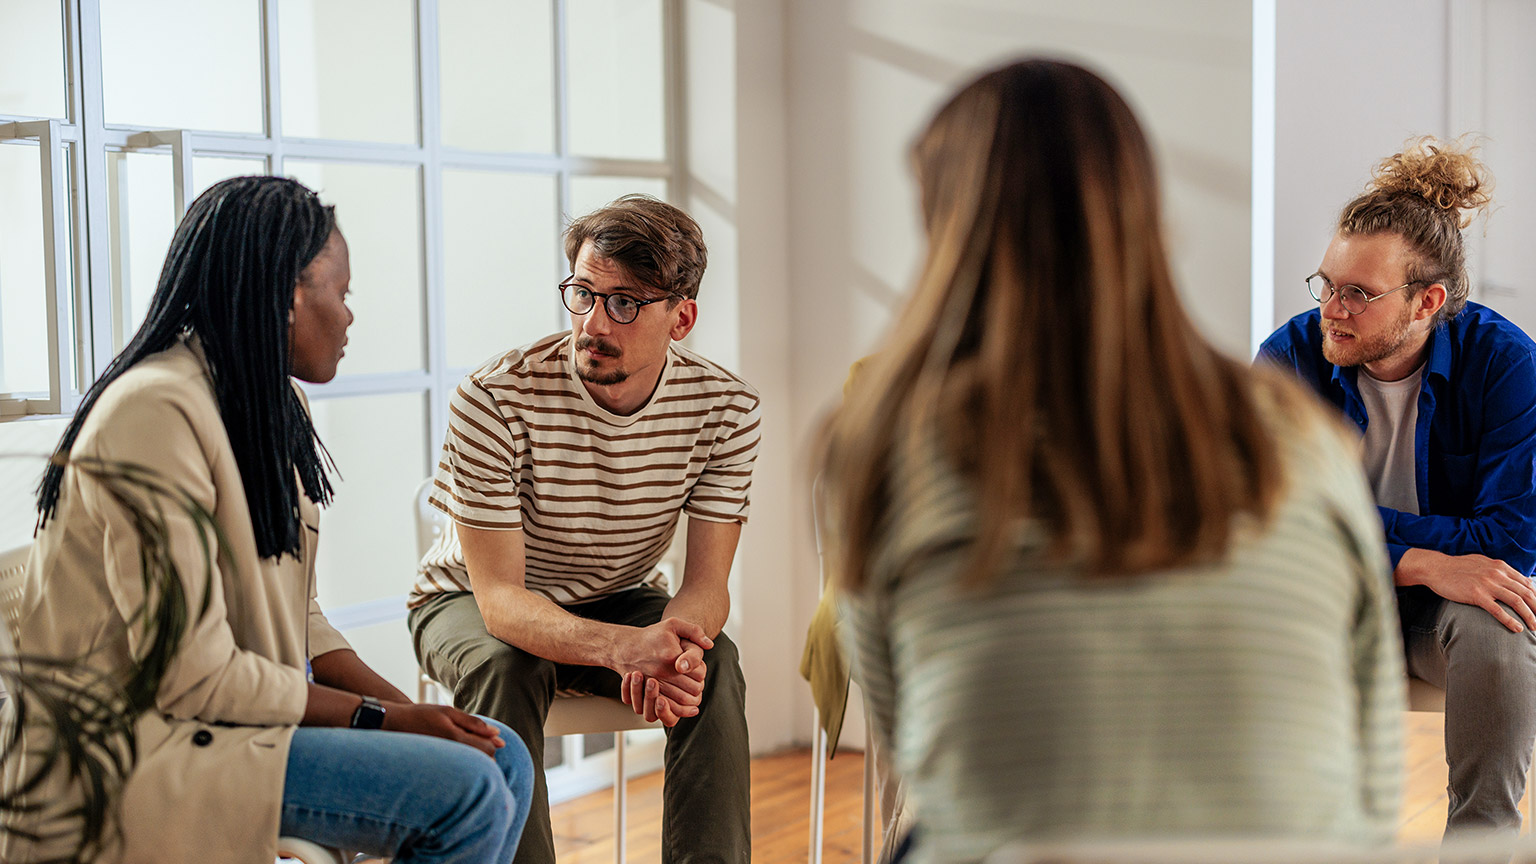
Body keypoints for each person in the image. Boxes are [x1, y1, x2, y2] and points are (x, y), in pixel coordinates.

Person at [819, 59, 1405, 864]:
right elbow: (1373, 781)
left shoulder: (889, 449)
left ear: (946, 227)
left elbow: (918, 747)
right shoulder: (1302, 437)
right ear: (1146, 216)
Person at [3, 176, 534, 864]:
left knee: (503, 754)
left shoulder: (269, 404)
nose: (348, 317)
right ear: (289, 294)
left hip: (229, 725)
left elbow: (302, 622)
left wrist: (419, 715)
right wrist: (389, 719)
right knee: (466, 791)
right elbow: (192, 676)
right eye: (340, 294)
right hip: (135, 748)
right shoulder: (153, 412)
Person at [407, 194, 761, 864]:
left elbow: (708, 582)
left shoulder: (727, 409)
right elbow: (502, 602)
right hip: (467, 601)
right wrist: (622, 650)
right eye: (582, 294)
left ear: (681, 317)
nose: (593, 322)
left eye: (624, 302)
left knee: (713, 667)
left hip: (620, 593)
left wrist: (678, 650)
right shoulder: (495, 397)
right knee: (505, 663)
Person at [1260, 137, 1536, 839]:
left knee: (1502, 629)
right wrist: (1422, 561)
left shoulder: (1508, 366)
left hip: (1449, 612)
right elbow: (1271, 522)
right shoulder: (1288, 358)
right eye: (1325, 283)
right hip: (1327, 592)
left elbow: (1509, 539)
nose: (1333, 308)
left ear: (1427, 302)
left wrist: (1357, 533)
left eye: (1358, 293)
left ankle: (1480, 847)